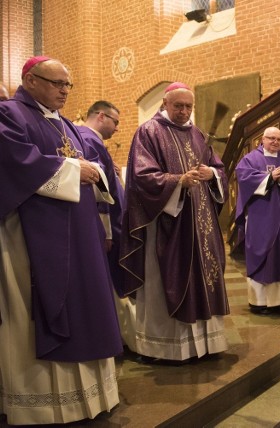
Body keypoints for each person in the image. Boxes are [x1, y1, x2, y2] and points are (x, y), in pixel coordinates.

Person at [0, 56, 122, 425]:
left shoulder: (64, 123)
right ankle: (43, 403)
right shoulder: (10, 114)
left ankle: (89, 396)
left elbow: (86, 164)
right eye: (57, 83)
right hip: (34, 237)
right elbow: (16, 162)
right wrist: (74, 169)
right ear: (30, 80)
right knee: (42, 306)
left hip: (78, 232)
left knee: (85, 303)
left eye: (68, 85)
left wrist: (92, 171)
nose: (65, 91)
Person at [119, 82, 230, 362]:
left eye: (188, 106)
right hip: (168, 223)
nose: (183, 111)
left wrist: (211, 175)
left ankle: (205, 344)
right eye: (178, 106)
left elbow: (218, 169)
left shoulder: (198, 133)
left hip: (201, 223)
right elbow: (142, 177)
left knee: (205, 278)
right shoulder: (149, 132)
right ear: (165, 104)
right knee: (165, 279)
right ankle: (162, 348)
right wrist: (177, 181)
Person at [76, 101, 137, 351]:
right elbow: (98, 190)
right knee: (112, 281)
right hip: (106, 225)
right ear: (101, 117)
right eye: (116, 121)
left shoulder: (84, 137)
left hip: (108, 222)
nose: (117, 128)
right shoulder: (89, 140)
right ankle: (120, 338)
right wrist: (107, 231)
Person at [235, 126, 280, 315]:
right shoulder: (250, 159)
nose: (275, 142)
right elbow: (243, 177)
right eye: (271, 138)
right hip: (260, 218)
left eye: (278, 139)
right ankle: (259, 302)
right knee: (262, 254)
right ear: (262, 139)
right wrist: (268, 178)